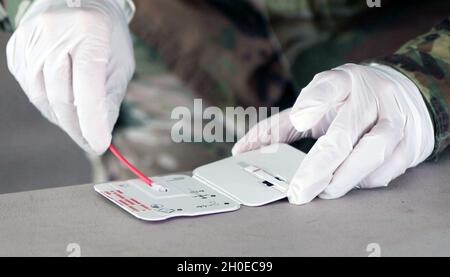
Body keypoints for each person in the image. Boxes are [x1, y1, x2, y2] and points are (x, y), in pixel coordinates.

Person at [1, 0, 449, 204]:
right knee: (174, 232)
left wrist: (422, 84)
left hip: (399, 27)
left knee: (387, 204)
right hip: (173, 28)